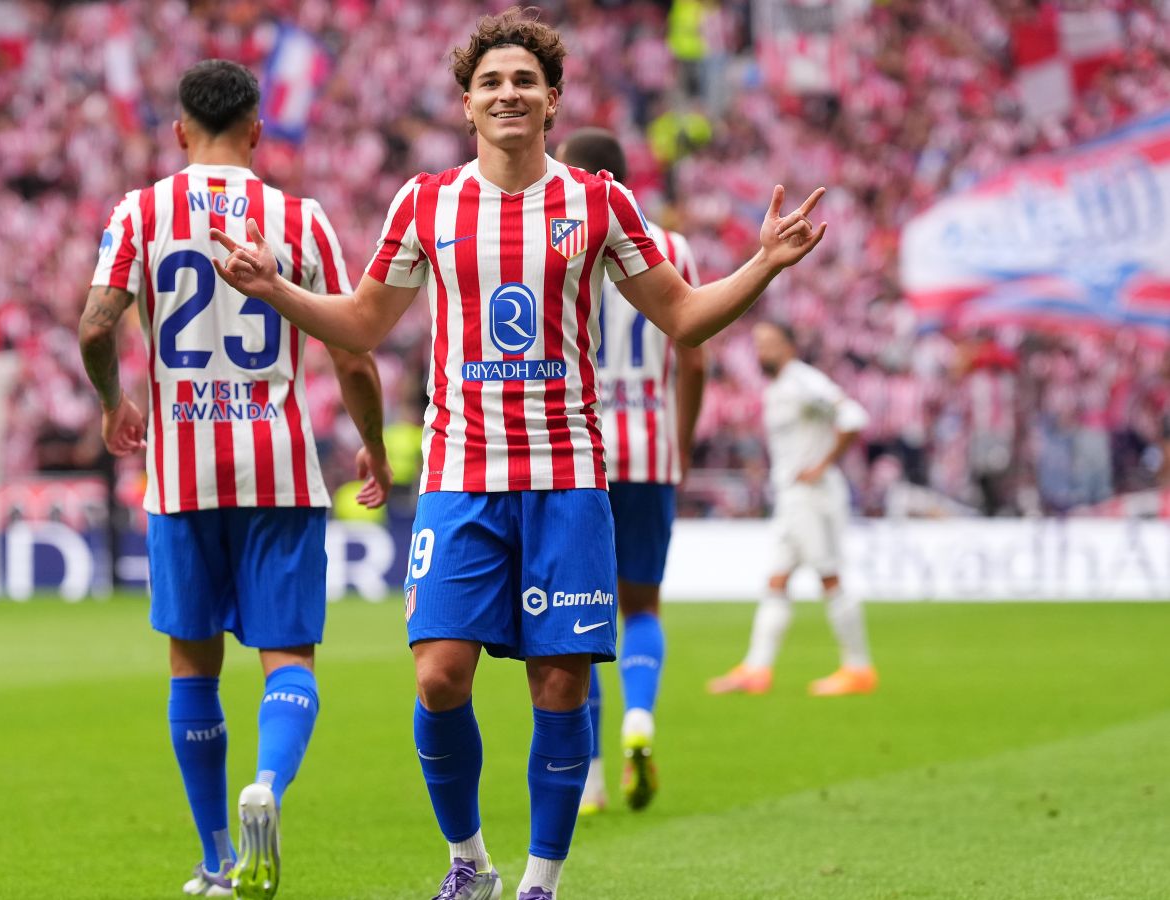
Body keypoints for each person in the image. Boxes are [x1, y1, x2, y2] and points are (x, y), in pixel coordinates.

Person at [210, 8, 826, 898]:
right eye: (491, 82)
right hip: (461, 475)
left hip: (567, 478)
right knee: (438, 678)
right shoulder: (426, 202)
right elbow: (363, 323)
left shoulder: (598, 202)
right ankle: (469, 862)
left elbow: (685, 317)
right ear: (467, 103)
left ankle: (542, 879)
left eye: (525, 81)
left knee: (560, 689)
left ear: (552, 100)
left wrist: (763, 263)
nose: (508, 93)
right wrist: (276, 291)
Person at [77, 59, 391, 899]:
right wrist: (373, 445)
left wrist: (113, 403)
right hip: (278, 470)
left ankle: (216, 858)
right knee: (288, 659)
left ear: (180, 131)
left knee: (192, 664)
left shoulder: (141, 211)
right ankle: (269, 786)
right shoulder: (301, 219)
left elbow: (95, 327)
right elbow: (352, 353)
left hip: (181, 476)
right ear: (258, 130)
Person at [555, 127, 705, 817]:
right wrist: (681, 441)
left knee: (576, 616)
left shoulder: (559, 237)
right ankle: (638, 717)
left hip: (577, 451)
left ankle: (587, 776)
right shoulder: (672, 247)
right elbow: (693, 356)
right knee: (641, 605)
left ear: (583, 174)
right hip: (648, 448)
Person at [707, 321, 875, 698]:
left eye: (770, 343)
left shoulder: (803, 381)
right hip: (791, 498)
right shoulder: (779, 386)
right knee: (776, 581)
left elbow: (853, 417)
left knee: (828, 576)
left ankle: (858, 668)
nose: (762, 351)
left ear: (790, 345)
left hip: (813, 496)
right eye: (758, 344)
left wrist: (822, 464)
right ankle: (756, 669)